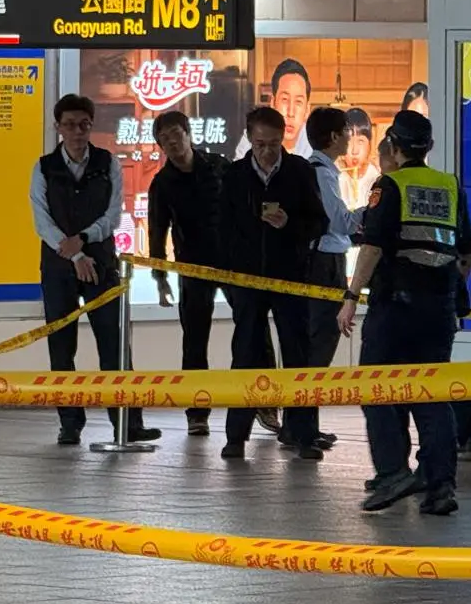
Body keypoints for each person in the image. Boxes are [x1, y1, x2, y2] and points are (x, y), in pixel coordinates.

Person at [338, 111, 471, 517]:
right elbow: (466, 252)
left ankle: (393, 471)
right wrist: (444, 287)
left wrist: (350, 296)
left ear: (394, 147)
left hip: (395, 308)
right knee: (431, 394)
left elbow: (374, 247)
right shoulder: (450, 187)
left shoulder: (390, 185)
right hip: (438, 311)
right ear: (428, 148)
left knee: (376, 386)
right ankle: (440, 485)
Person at [30, 94, 158, 447]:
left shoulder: (108, 163)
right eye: (69, 124)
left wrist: (84, 241)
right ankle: (70, 423)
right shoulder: (43, 167)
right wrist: (74, 255)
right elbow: (43, 222)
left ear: (92, 125)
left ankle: (128, 424)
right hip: (59, 267)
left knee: (115, 344)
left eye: (83, 124)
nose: (77, 131)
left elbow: (113, 215)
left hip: (101, 263)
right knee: (61, 347)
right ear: (58, 127)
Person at [218, 107, 326, 462]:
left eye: (274, 144)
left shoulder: (299, 171)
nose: (267, 152)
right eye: (260, 144)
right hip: (247, 279)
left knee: (297, 353)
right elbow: (222, 228)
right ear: (249, 139)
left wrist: (289, 224)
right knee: (245, 352)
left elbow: (319, 223)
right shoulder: (234, 175)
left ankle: (304, 433)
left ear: (285, 140)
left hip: (291, 276)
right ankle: (236, 435)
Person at [147, 110, 229, 437]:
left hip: (234, 263)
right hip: (192, 267)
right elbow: (157, 232)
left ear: (188, 133)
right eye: (164, 138)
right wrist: (160, 278)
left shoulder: (220, 166)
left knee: (253, 333)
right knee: (194, 340)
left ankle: (263, 404)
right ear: (160, 146)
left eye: (176, 134)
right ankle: (197, 412)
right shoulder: (162, 184)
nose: (172, 141)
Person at [303, 108, 357, 449]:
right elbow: (340, 222)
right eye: (346, 131)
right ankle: (303, 427)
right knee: (320, 344)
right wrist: (374, 213)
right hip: (324, 262)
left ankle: (304, 425)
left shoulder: (321, 170)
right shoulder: (322, 172)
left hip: (323, 259)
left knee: (316, 345)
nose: (350, 137)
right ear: (334, 137)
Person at [270, 59, 314, 157]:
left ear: (307, 110)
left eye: (298, 102)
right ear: (273, 103)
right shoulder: (252, 139)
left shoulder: (316, 146)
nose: (290, 113)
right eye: (285, 99)